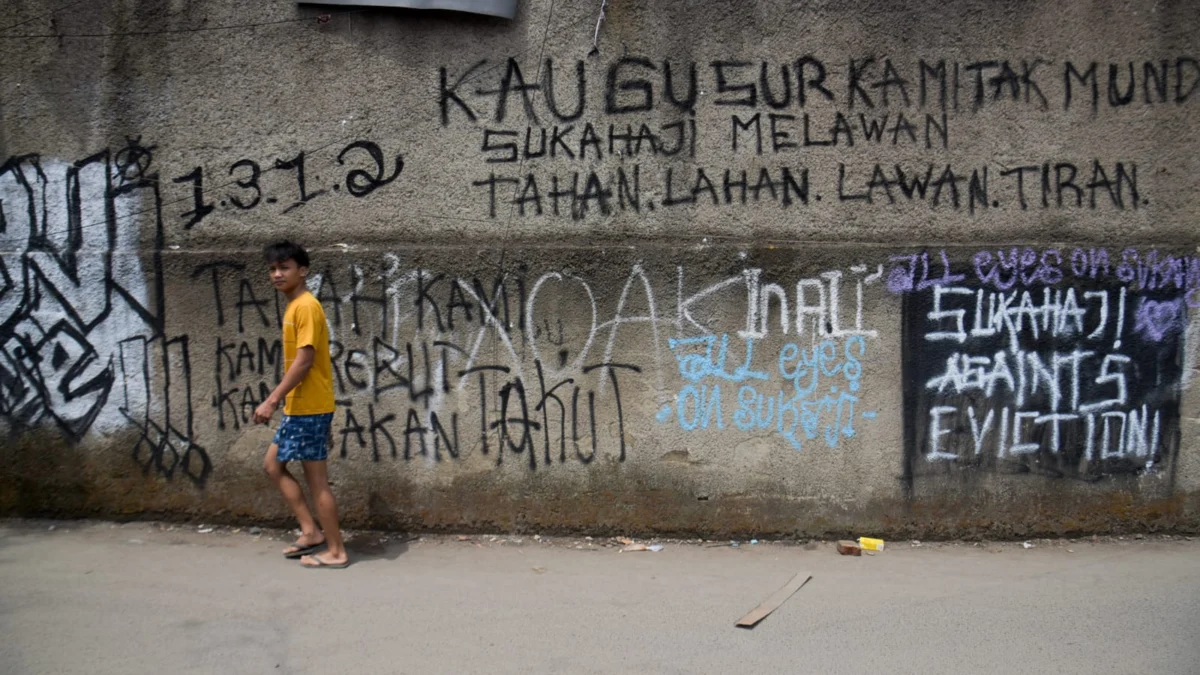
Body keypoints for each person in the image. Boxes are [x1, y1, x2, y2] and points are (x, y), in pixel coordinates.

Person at [254, 241, 348, 568]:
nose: (277, 274)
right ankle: (311, 532)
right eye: (272, 269)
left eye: (284, 268)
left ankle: (336, 551)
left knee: (317, 481)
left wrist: (272, 398)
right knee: (272, 465)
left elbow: (305, 360)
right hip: (300, 407)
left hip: (309, 406)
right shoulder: (295, 306)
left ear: (302, 271)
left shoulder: (306, 306)